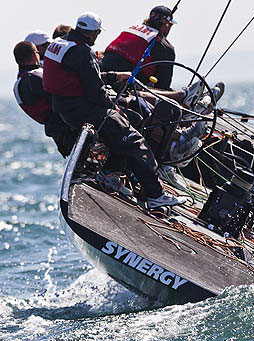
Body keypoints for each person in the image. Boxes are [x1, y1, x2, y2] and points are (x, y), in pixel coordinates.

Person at [43, 12, 185, 208]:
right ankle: (155, 194)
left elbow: (85, 77)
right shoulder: (82, 51)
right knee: (134, 140)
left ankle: (111, 173)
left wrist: (116, 76)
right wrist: (114, 107)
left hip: (65, 108)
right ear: (93, 33)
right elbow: (95, 91)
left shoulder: (59, 44)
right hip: (83, 109)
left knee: (132, 120)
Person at [12, 41, 77, 158]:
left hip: (56, 131)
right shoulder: (34, 77)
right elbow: (65, 92)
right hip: (67, 127)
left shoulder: (20, 82)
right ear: (34, 55)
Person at [101, 5, 176, 90]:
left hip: (101, 74)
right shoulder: (164, 46)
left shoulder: (130, 28)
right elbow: (163, 85)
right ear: (166, 25)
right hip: (123, 85)